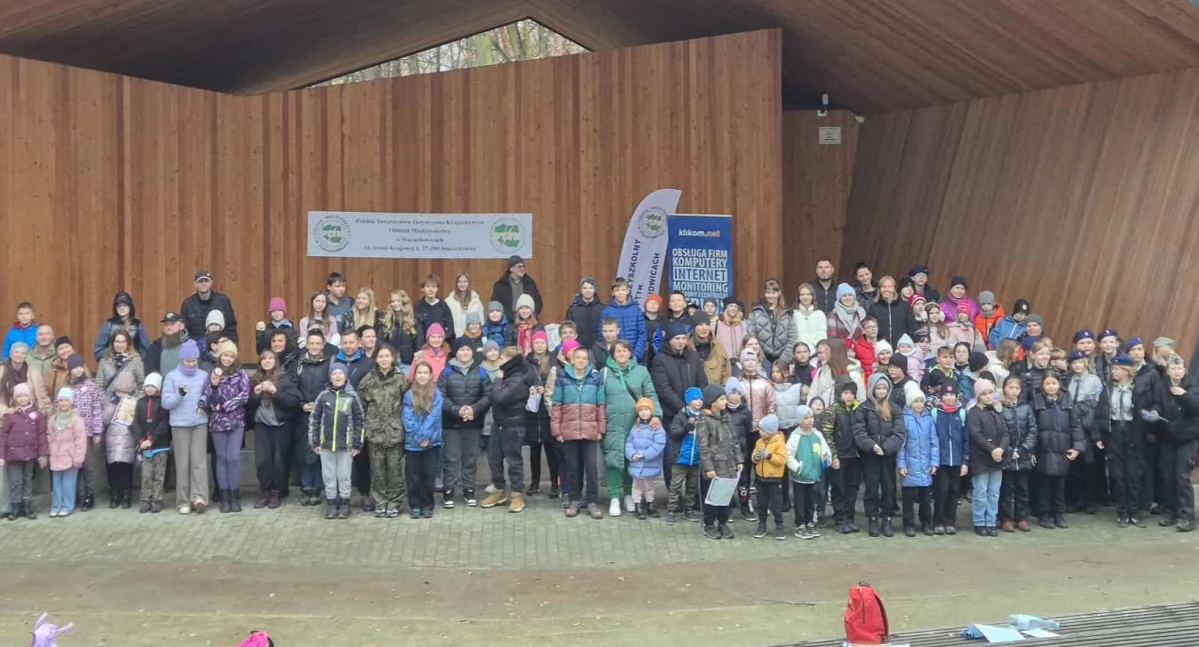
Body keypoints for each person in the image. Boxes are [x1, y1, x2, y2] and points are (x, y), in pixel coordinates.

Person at [600, 339, 661, 517]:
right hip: (612, 424)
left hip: (636, 425)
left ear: (630, 353)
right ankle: (613, 497)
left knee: (631, 460)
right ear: (612, 354)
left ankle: (628, 494)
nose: (621, 354)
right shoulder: (604, 373)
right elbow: (599, 400)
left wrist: (656, 414)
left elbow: (651, 394)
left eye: (625, 351)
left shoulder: (641, 371)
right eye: (618, 351)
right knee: (613, 460)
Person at [552, 346, 607, 519]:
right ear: (572, 359)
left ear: (588, 361)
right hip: (569, 431)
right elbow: (556, 407)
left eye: (584, 358)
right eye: (578, 358)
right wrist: (557, 430)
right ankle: (574, 499)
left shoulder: (595, 379)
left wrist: (601, 429)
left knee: (591, 468)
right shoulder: (563, 379)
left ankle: (591, 500)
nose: (581, 361)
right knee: (572, 468)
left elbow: (600, 406)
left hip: (590, 431)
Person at [481, 347, 537, 512]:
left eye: (502, 359)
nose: (499, 362)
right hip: (498, 424)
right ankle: (499, 491)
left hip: (513, 425)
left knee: (514, 462)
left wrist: (498, 380)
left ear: (510, 361)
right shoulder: (509, 376)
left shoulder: (518, 379)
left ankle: (517, 494)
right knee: (494, 459)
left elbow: (499, 397)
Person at [355, 344, 408, 517]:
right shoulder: (368, 379)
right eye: (381, 356)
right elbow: (360, 404)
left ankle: (394, 501)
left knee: (394, 469)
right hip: (374, 431)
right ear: (376, 359)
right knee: (377, 470)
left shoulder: (401, 379)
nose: (384, 359)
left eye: (387, 356)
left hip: (394, 430)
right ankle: (381, 501)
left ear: (393, 358)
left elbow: (407, 403)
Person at [95, 330, 145, 509]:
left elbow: (142, 385)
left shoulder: (136, 361)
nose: (119, 345)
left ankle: (126, 493)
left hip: (128, 412)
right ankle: (113, 492)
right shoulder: (105, 362)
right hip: (110, 411)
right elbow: (99, 386)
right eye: (116, 341)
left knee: (126, 453)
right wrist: (109, 400)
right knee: (112, 455)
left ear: (128, 343)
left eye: (123, 341)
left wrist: (131, 400)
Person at [439, 339, 490, 509]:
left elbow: (488, 395)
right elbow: (441, 396)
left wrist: (473, 410)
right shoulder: (446, 372)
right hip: (451, 424)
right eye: (461, 349)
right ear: (456, 352)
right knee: (451, 459)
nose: (465, 352)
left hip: (473, 423)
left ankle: (469, 490)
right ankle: (449, 491)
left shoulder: (481, 372)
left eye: (468, 349)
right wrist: (457, 410)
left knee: (470, 459)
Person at [248, 349, 301, 510]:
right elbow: (247, 404)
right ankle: (264, 491)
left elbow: (293, 402)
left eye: (271, 358)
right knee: (262, 461)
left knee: (278, 461)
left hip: (280, 425)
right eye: (264, 359)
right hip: (262, 425)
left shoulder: (284, 379)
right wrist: (256, 394)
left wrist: (275, 392)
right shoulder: (254, 379)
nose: (267, 361)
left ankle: (276, 492)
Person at [310, 363, 364, 520]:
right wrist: (314, 441)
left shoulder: (352, 396)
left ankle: (344, 502)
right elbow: (314, 419)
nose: (338, 376)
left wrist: (357, 444)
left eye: (341, 373)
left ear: (346, 376)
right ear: (330, 377)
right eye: (334, 374)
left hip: (345, 446)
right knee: (329, 475)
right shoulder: (323, 396)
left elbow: (360, 421)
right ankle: (332, 503)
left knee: (344, 475)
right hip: (325, 445)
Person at [1031, 370, 1084, 529]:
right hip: (1043, 449)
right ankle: (1044, 514)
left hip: (1062, 449)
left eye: (1054, 383)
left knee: (1060, 484)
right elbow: (1031, 427)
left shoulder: (1067, 401)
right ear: (1042, 385)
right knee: (1044, 484)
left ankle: (1059, 513)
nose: (1051, 386)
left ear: (1059, 384)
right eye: (1047, 383)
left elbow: (1076, 425)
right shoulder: (1036, 402)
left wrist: (1077, 447)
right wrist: (1031, 450)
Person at [1126, 337, 1172, 515]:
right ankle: (1131, 501)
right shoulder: (1124, 370)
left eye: (1139, 349)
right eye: (1133, 350)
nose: (1136, 352)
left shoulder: (1151, 373)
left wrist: (1153, 425)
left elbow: (1157, 400)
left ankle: (1145, 503)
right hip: (1128, 425)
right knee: (1131, 467)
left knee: (1146, 467)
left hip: (1145, 427)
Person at [162, 340, 209, 514]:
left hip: (199, 422)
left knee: (199, 462)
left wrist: (204, 402)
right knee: (182, 463)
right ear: (181, 360)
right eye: (188, 361)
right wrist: (179, 395)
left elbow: (207, 394)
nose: (191, 363)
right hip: (179, 424)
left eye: (194, 360)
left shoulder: (203, 375)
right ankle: (183, 501)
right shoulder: (172, 377)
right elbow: (166, 403)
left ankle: (199, 497)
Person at [855, 374, 904, 537]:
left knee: (889, 487)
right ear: (872, 389)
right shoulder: (863, 408)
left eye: (884, 388)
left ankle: (887, 518)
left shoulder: (894, 408)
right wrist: (872, 446)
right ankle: (873, 518)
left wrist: (887, 447)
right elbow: (859, 431)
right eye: (878, 388)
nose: (881, 391)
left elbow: (899, 432)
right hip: (870, 456)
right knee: (871, 488)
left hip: (888, 456)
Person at [204, 340, 250, 513]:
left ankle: (235, 494)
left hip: (236, 421)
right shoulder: (212, 375)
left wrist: (225, 406)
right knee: (221, 458)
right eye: (225, 355)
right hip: (218, 423)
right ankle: (224, 496)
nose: (228, 359)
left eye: (231, 356)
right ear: (219, 356)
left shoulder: (241, 374)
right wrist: (215, 386)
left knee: (233, 457)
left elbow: (244, 396)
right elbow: (209, 398)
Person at [697, 384, 742, 540]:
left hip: (728, 464)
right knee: (712, 497)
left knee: (726, 495)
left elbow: (734, 440)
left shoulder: (726, 418)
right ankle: (709, 524)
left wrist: (738, 459)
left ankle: (723, 523)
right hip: (715, 465)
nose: (725, 401)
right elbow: (703, 446)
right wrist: (708, 467)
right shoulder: (704, 420)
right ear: (712, 402)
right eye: (722, 399)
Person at [294, 331, 332, 506]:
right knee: (304, 451)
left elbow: (330, 385)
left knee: (318, 451)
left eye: (318, 343)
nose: (315, 347)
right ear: (306, 345)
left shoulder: (329, 362)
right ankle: (306, 487)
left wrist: (320, 404)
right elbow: (294, 385)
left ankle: (318, 487)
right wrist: (301, 403)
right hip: (302, 413)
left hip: (321, 413)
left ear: (323, 345)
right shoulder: (298, 363)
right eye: (312, 343)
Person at [1063, 350, 1103, 515]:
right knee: (1075, 466)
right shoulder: (1068, 380)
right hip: (1072, 425)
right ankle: (1078, 499)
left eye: (1080, 362)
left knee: (1089, 464)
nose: (1077, 365)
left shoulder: (1093, 380)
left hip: (1087, 426)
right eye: (1074, 363)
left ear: (1086, 363)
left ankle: (1091, 499)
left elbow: (1096, 404)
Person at [0, 382, 47, 519]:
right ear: (15, 399)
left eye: (24, 396)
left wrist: (42, 454)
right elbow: (3, 437)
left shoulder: (37, 415)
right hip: (13, 455)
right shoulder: (10, 416)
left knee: (27, 480)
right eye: (19, 396)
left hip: (30, 453)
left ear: (29, 397)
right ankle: (15, 506)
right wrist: (2, 456)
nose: (22, 399)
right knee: (16, 481)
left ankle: (28, 506)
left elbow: (41, 435)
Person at [403, 361, 443, 519]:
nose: (422, 376)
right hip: (412, 444)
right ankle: (414, 505)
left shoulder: (437, 394)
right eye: (419, 373)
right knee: (413, 476)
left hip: (431, 443)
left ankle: (427, 504)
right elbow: (408, 418)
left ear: (431, 375)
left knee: (428, 475)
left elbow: (434, 417)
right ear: (415, 375)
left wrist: (425, 437)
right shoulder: (408, 395)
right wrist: (419, 437)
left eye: (425, 373)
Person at [1163, 355, 1198, 531]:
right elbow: (1157, 404)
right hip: (1168, 437)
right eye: (1173, 369)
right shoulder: (1162, 386)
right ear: (1168, 370)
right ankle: (1171, 511)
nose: (1176, 372)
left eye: (1179, 369)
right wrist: (1154, 411)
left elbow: (1197, 407)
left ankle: (1188, 516)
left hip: (1187, 438)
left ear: (1184, 370)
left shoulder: (1192, 387)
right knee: (1168, 476)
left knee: (1182, 477)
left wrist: (1185, 395)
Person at [967, 378, 1007, 537]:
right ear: (978, 396)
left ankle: (991, 520)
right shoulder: (974, 413)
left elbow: (1005, 433)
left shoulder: (997, 411)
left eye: (990, 392)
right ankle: (979, 521)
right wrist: (992, 449)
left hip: (997, 458)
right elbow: (976, 435)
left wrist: (1001, 449)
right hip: (981, 458)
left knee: (994, 492)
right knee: (981, 492)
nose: (989, 396)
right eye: (984, 394)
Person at [998, 376, 1037, 532]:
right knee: (1006, 489)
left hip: (1023, 455)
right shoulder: (1000, 408)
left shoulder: (1026, 408)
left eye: (1017, 388)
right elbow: (998, 432)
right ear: (1004, 389)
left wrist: (1023, 450)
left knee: (1022, 489)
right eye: (1010, 388)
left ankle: (1021, 517)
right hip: (1006, 456)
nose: (1014, 391)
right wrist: (1008, 451)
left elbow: (1033, 431)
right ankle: (1005, 518)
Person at [824, 377, 862, 534]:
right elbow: (827, 435)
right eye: (846, 393)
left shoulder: (859, 410)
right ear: (839, 394)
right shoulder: (832, 411)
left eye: (852, 393)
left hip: (855, 456)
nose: (849, 396)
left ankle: (850, 517)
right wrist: (833, 456)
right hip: (839, 457)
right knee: (839, 488)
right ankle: (840, 518)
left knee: (852, 488)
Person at [785, 404, 829, 539]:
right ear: (799, 420)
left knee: (811, 501)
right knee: (800, 502)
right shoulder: (795, 437)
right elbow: (788, 454)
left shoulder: (817, 435)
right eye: (805, 418)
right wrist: (797, 467)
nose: (809, 420)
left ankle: (810, 522)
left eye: (811, 417)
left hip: (814, 475)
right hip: (801, 477)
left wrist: (825, 458)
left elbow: (824, 449)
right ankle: (800, 524)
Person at [66, 354, 103, 511]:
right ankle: (74, 494)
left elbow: (97, 409)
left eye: (80, 366)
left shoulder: (91, 387)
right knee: (74, 465)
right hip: (70, 433)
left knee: (88, 465)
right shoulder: (66, 388)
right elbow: (59, 407)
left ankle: (90, 495)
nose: (78, 370)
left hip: (87, 432)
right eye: (74, 367)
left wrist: (97, 432)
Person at [898, 385, 937, 537]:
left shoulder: (928, 419)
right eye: (916, 401)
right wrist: (901, 464)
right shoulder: (905, 420)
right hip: (909, 465)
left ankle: (926, 522)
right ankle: (908, 523)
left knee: (925, 497)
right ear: (909, 403)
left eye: (921, 401)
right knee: (908, 497)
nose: (919, 404)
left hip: (925, 464)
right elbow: (901, 445)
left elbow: (934, 442)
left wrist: (934, 462)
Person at [524, 332, 557, 498]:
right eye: (536, 342)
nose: (539, 345)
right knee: (534, 451)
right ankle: (534, 482)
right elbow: (522, 382)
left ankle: (554, 483)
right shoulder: (526, 362)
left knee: (551, 450)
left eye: (542, 342)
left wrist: (546, 390)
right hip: (532, 411)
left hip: (548, 411)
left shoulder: (553, 361)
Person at [931, 384, 968, 534]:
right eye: (946, 395)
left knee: (954, 491)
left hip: (957, 460)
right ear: (941, 397)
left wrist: (965, 461)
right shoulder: (935, 413)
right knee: (942, 490)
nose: (949, 398)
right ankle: (939, 521)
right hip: (941, 460)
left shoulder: (963, 413)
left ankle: (950, 521)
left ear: (956, 396)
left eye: (952, 395)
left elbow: (966, 439)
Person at [133, 374, 170, 514]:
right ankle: (145, 500)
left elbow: (163, 423)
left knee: (159, 474)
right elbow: (135, 423)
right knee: (146, 474)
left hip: (160, 445)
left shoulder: (162, 403)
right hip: (144, 445)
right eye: (147, 386)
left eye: (153, 386)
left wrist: (152, 439)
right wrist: (141, 440)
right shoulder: (140, 402)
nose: (149, 389)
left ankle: (156, 499)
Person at [666, 387, 704, 524]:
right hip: (681, 458)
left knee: (692, 486)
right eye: (695, 399)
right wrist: (685, 429)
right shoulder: (681, 416)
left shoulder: (703, 417)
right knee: (675, 486)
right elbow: (673, 433)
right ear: (688, 401)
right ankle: (671, 510)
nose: (699, 401)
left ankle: (689, 509)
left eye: (700, 399)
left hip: (696, 459)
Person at [48, 386, 87, 517]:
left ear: (71, 402)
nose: (63, 403)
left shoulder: (76, 419)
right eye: (61, 400)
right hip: (55, 456)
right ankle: (56, 505)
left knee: (68, 483)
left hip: (70, 456)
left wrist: (78, 458)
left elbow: (80, 441)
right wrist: (49, 450)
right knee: (56, 483)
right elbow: (49, 435)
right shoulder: (53, 419)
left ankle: (67, 506)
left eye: (66, 400)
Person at [625, 397, 666, 520]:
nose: (644, 412)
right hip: (636, 463)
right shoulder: (635, 427)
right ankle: (637, 505)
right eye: (641, 410)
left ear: (651, 411)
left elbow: (659, 444)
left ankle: (650, 504)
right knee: (637, 486)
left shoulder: (656, 428)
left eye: (646, 409)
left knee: (649, 485)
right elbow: (629, 442)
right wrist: (632, 454)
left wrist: (645, 454)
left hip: (650, 462)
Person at [750, 413, 788, 540]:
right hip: (761, 478)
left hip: (774, 479)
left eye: (762, 430)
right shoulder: (759, 442)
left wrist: (769, 456)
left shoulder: (779, 443)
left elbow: (782, 460)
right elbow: (754, 456)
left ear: (770, 431)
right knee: (762, 503)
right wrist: (756, 458)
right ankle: (762, 525)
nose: (759, 431)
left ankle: (779, 526)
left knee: (776, 504)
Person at [181, 270, 238, 344]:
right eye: (200, 281)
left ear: (211, 283)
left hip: (219, 346)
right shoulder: (188, 304)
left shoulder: (223, 301)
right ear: (195, 284)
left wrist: (233, 345)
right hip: (196, 348)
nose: (203, 284)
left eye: (206, 281)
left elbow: (231, 326)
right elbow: (184, 329)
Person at [746, 279, 795, 365]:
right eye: (768, 292)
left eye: (774, 292)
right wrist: (761, 359)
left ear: (779, 293)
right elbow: (751, 336)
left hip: (783, 361)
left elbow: (792, 339)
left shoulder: (787, 313)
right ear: (764, 294)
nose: (771, 295)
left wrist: (782, 361)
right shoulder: (755, 312)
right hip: (761, 360)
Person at [93, 292, 152, 360]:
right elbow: (98, 351)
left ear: (130, 307)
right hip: (111, 362)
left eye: (124, 305)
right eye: (119, 306)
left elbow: (146, 351)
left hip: (132, 363)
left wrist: (134, 357)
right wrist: (113, 354)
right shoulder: (109, 324)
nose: (121, 308)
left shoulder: (137, 325)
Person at [601, 278, 646, 361]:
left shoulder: (636, 310)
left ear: (627, 291)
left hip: (633, 357)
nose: (620, 293)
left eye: (623, 289)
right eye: (617, 290)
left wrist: (635, 355)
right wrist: (612, 355)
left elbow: (642, 335)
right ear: (612, 293)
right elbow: (602, 335)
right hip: (614, 357)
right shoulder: (607, 311)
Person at [0, 342, 52, 414]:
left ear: (26, 356)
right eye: (16, 352)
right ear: (10, 354)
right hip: (7, 414)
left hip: (31, 413)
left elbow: (42, 395)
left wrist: (47, 413)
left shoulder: (34, 372)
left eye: (23, 353)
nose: (19, 355)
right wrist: (4, 411)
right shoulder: (1, 371)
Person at [812, 337, 865, 406]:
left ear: (835, 352)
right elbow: (812, 395)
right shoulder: (821, 371)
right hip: (823, 415)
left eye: (826, 350)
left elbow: (861, 401)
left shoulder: (853, 374)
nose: (824, 354)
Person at [490, 255, 543, 323]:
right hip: (507, 322)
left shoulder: (529, 283)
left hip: (528, 321)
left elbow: (538, 302)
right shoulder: (500, 285)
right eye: (519, 266)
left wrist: (531, 315)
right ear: (511, 269)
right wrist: (511, 317)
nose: (522, 269)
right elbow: (496, 304)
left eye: (523, 266)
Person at [869, 276, 918, 348]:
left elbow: (912, 328)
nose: (887, 289)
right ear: (879, 289)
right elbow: (869, 329)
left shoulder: (904, 306)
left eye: (890, 286)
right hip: (881, 349)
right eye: (883, 287)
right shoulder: (873, 308)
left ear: (894, 289)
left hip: (902, 348)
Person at [382, 290, 418, 373]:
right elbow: (381, 341)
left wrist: (415, 362)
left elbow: (419, 343)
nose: (395, 304)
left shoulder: (414, 320)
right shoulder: (385, 320)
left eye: (398, 301)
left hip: (407, 362)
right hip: (389, 362)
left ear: (404, 302)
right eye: (393, 301)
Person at [563, 277, 604, 348]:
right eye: (584, 288)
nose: (587, 291)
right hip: (578, 348)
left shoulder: (602, 309)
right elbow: (568, 329)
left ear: (595, 290)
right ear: (581, 290)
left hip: (598, 347)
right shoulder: (572, 310)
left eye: (590, 288)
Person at [414, 276, 455, 345]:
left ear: (437, 288)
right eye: (428, 286)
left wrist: (439, 340)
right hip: (424, 346)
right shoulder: (418, 306)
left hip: (441, 345)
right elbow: (417, 330)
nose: (431, 289)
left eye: (433, 286)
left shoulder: (443, 306)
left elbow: (450, 329)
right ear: (423, 289)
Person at [447, 273, 485, 341]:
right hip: (456, 337)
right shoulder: (449, 301)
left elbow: (481, 322)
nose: (462, 284)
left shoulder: (476, 301)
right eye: (460, 281)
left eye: (465, 281)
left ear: (469, 283)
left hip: (473, 338)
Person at [793, 283, 828, 353]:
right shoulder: (793, 314)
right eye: (802, 295)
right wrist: (801, 350)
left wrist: (811, 349)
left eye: (808, 294)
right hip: (798, 353)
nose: (805, 297)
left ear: (812, 296)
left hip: (815, 352)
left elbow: (822, 335)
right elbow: (792, 336)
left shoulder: (820, 314)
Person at [643, 294, 665, 365]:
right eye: (650, 302)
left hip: (657, 354)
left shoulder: (664, 321)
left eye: (655, 303)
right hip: (642, 353)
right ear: (646, 305)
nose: (653, 305)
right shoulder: (639, 319)